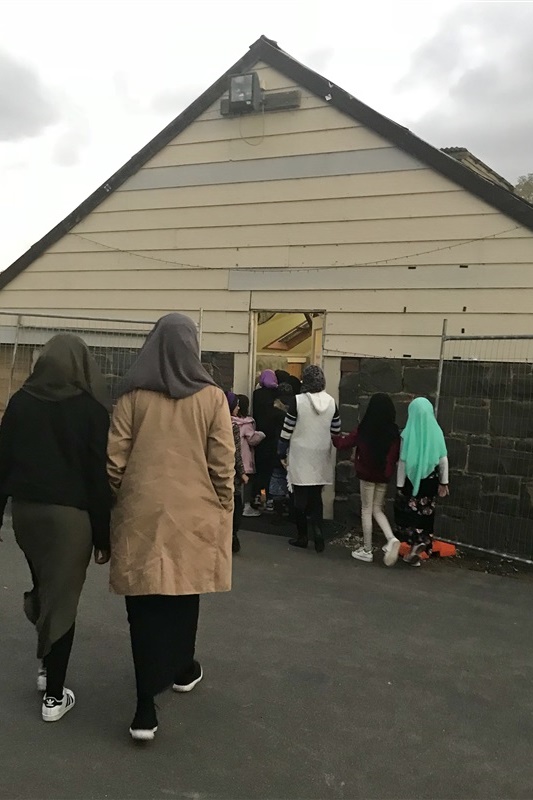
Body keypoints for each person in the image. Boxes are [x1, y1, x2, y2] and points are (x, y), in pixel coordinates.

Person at [107, 313, 234, 741]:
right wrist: (223, 506)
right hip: (194, 514)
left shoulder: (130, 397)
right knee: (184, 595)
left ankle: (145, 708)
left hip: (140, 515)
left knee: (141, 608)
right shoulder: (213, 398)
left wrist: (127, 497)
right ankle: (183, 668)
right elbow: (223, 464)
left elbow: (114, 463)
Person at [0, 334, 112, 723]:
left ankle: (47, 664)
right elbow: (99, 479)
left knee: (47, 591)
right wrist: (104, 536)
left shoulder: (20, 402)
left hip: (27, 518)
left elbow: (2, 463)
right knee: (62, 601)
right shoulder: (92, 411)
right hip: (71, 522)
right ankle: (53, 696)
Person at [333, 393, 401, 566]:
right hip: (383, 476)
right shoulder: (393, 432)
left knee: (366, 509)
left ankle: (367, 549)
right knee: (378, 509)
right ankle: (391, 538)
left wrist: (334, 436)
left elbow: (344, 443)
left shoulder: (365, 428)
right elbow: (394, 456)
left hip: (366, 474)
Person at [278, 365, 341, 552]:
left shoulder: (297, 401)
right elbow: (336, 430)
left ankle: (302, 536)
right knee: (316, 497)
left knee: (299, 497)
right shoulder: (331, 402)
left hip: (300, 452)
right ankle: (318, 532)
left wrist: (281, 451)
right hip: (321, 452)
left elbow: (287, 429)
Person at [394, 397, 449, 567]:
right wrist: (444, 482)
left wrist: (399, 485)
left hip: (411, 482)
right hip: (430, 482)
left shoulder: (407, 434)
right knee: (425, 515)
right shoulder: (437, 432)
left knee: (409, 516)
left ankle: (413, 546)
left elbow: (402, 461)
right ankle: (419, 546)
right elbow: (443, 459)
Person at [233, 394, 265, 519]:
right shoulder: (247, 423)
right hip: (245, 457)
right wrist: (261, 434)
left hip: (233, 456)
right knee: (247, 483)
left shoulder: (229, 420)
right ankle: (246, 506)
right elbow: (252, 439)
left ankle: (235, 505)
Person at [226, 392, 250, 552]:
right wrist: (242, 473)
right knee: (236, 506)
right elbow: (235, 452)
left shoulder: (212, 422)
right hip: (230, 473)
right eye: (236, 404)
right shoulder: (233, 426)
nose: (239, 407)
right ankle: (232, 537)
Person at [252, 370, 279, 509]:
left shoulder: (256, 394)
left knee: (259, 469)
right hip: (273, 437)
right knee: (270, 471)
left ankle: (257, 497)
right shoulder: (276, 394)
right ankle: (269, 498)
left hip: (259, 436)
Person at [269, 383, 294, 522]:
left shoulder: (274, 411)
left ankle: (278, 514)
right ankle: (293, 513)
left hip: (277, 448)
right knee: (292, 482)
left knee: (277, 480)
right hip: (293, 450)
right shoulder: (295, 408)